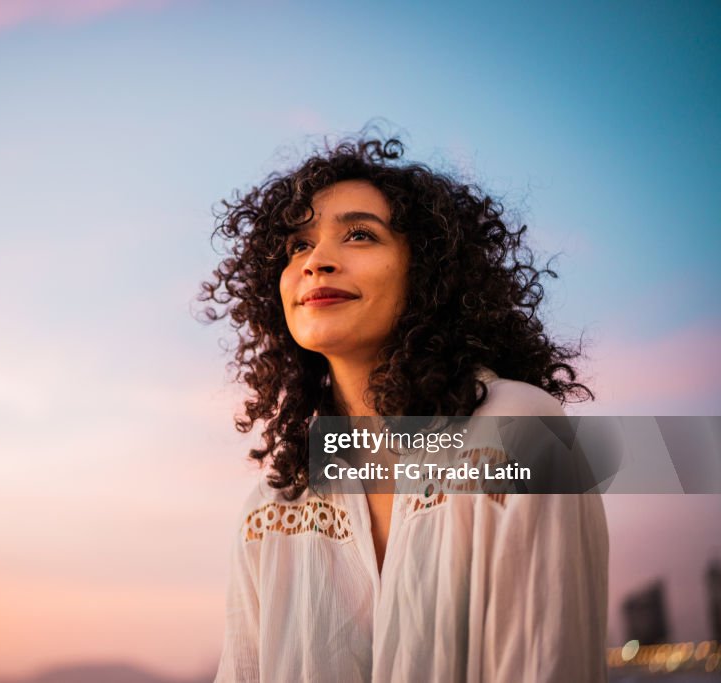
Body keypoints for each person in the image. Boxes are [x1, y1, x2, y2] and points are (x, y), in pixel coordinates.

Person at [199, 134, 609, 682]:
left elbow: (546, 664)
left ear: (429, 272)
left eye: (360, 234)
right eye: (298, 246)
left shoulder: (520, 431)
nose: (316, 262)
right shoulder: (274, 505)